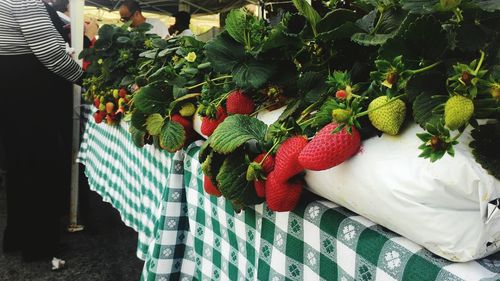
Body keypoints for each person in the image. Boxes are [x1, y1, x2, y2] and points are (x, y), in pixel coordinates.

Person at [0, 0, 83, 262]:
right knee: (42, 166)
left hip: (10, 86)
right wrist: (86, 79)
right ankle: (39, 246)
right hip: (29, 90)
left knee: (19, 165)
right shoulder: (23, 1)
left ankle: (16, 236)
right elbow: (50, 53)